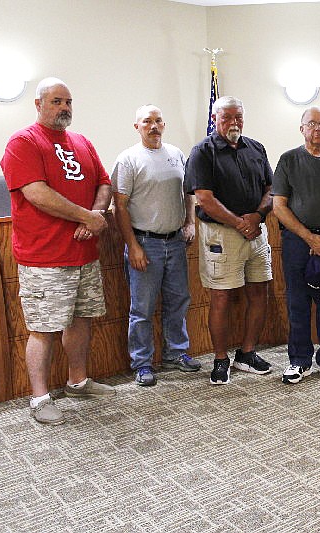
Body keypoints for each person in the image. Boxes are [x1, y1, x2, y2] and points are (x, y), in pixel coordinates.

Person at [1, 77, 115, 425]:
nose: (63, 107)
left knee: (81, 321)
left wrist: (94, 217)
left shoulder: (82, 141)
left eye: (67, 102)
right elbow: (36, 193)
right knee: (44, 328)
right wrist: (88, 217)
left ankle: (77, 382)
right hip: (45, 259)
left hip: (84, 255)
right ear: (38, 104)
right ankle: (39, 398)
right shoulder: (23, 142)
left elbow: (104, 182)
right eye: (55, 101)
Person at [185, 96, 273, 385]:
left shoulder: (256, 148)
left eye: (238, 117)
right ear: (215, 119)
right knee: (221, 297)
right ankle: (221, 359)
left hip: (256, 231)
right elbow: (205, 199)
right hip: (222, 234)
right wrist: (239, 223)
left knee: (259, 291)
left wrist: (257, 217)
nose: (233, 123)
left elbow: (271, 189)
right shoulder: (202, 151)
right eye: (227, 118)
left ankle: (247, 354)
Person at [111, 105, 200, 387]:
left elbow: (188, 194)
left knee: (178, 301)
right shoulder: (128, 159)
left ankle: (176, 353)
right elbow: (120, 207)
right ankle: (142, 363)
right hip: (144, 244)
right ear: (136, 126)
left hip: (175, 242)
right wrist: (133, 246)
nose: (154, 126)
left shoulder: (176, 155)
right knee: (143, 308)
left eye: (158, 121)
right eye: (147, 121)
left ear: (164, 124)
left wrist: (190, 223)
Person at [273, 107, 320, 384]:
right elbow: (279, 207)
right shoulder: (288, 160)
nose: (318, 128)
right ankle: (299, 361)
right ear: (301, 128)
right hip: (296, 243)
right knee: (298, 303)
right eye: (312, 123)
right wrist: (308, 237)